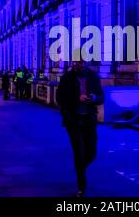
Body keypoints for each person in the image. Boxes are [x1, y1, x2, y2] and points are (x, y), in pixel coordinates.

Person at [56, 60, 105, 197]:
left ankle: (80, 169)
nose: (81, 65)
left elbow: (102, 96)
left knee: (92, 153)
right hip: (74, 121)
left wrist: (94, 97)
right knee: (79, 153)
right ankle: (81, 186)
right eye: (78, 62)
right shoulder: (67, 78)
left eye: (83, 62)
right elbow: (60, 98)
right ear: (73, 63)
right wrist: (78, 99)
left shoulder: (92, 76)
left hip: (89, 120)